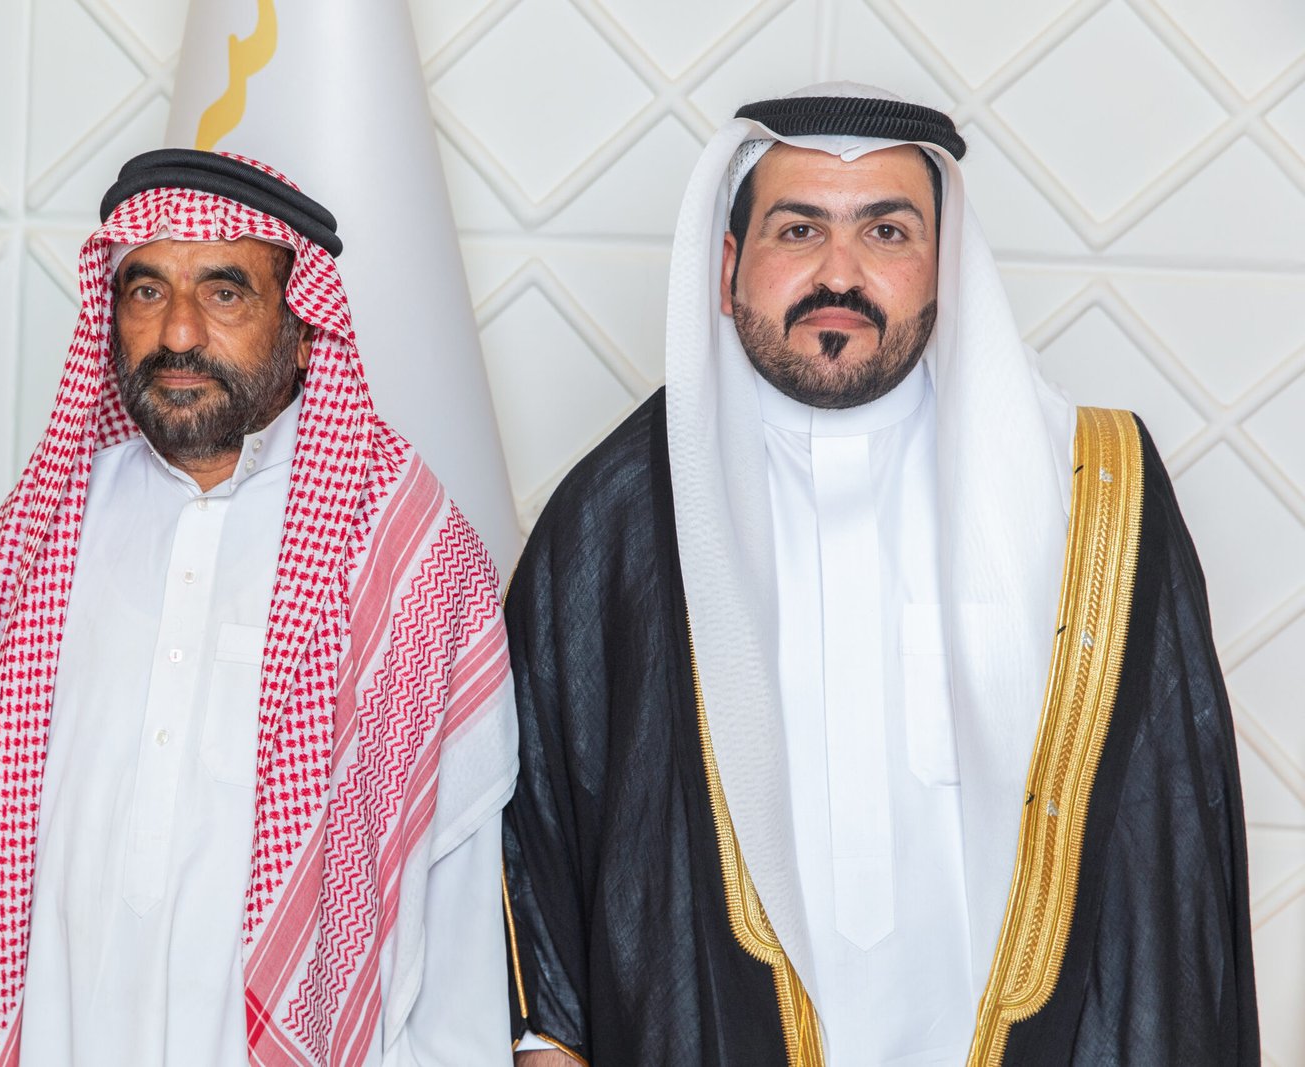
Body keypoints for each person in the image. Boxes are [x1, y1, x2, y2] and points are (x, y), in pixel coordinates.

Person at [502, 84, 1258, 1066]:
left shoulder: (1091, 497)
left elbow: (1174, 854)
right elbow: (536, 852)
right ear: (727, 268)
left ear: (945, 267)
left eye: (887, 232)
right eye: (798, 229)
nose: (839, 272)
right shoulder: (616, 519)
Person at [0, 149, 517, 1066]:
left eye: (224, 292)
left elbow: (455, 899)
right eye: (145, 291)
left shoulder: (404, 552)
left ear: (302, 321)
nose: (176, 331)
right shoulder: (40, 533)